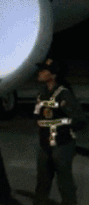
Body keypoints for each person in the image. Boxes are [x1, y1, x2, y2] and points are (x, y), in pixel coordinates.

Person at [33, 58, 86, 205]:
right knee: (42, 182)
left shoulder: (64, 94)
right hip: (45, 145)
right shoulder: (42, 94)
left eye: (44, 70)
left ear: (53, 75)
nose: (40, 72)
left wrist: (62, 128)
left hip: (62, 145)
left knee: (64, 182)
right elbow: (38, 116)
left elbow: (80, 120)